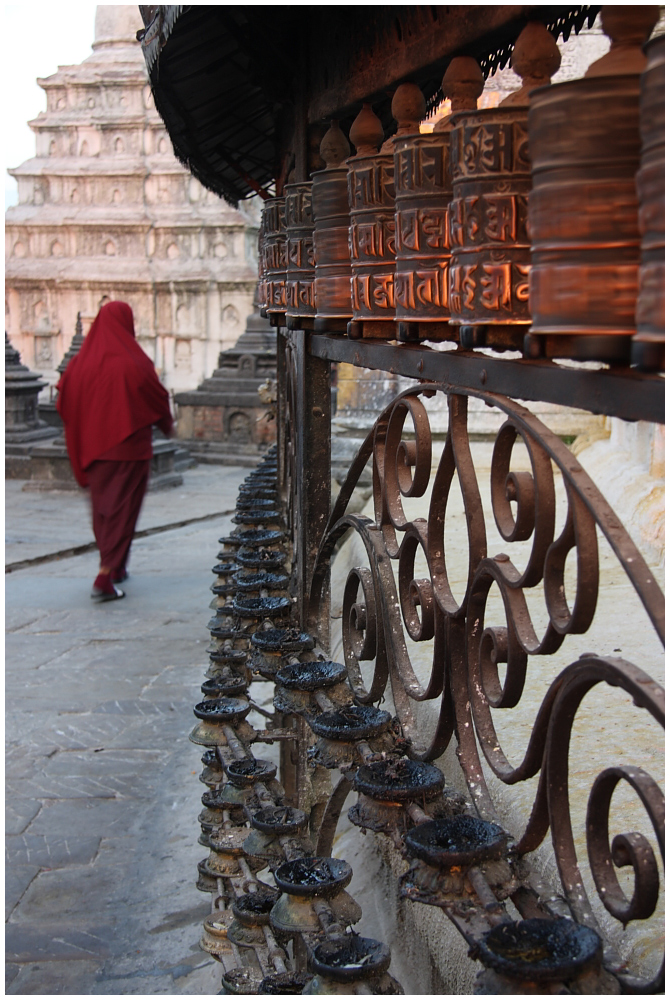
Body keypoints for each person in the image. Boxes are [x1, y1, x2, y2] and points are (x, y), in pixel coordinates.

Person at [57, 301, 173, 602]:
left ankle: (116, 564)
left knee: (104, 510)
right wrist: (165, 424)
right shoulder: (133, 361)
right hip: (129, 450)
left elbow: (63, 399)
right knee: (123, 511)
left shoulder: (80, 362)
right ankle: (105, 576)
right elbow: (157, 395)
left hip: (93, 450)